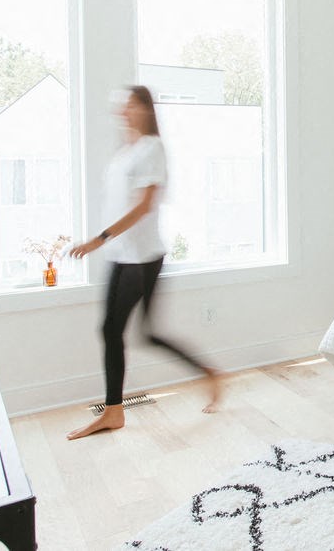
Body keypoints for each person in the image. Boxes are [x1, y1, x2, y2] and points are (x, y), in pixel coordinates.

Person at [66, 86, 220, 440]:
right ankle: (115, 411)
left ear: (145, 110)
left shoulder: (153, 148)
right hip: (122, 255)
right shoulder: (127, 151)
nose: (123, 111)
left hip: (143, 257)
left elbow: (144, 206)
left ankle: (116, 410)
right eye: (121, 106)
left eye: (130, 106)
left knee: (124, 331)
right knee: (126, 331)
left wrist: (98, 239)